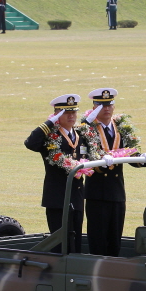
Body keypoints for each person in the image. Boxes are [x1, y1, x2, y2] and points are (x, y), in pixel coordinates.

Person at [81, 87, 146, 256]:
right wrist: (100, 159)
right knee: (98, 240)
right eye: (101, 105)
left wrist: (142, 158)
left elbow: (128, 151)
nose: (106, 108)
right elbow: (86, 153)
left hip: (116, 192)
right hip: (97, 193)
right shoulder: (88, 128)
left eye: (109, 104)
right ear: (94, 107)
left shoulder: (119, 125)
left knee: (115, 240)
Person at [24, 94, 96, 254]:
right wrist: (49, 123)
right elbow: (30, 143)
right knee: (60, 245)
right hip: (58, 198)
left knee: (75, 242)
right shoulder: (50, 137)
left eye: (73, 112)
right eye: (66, 112)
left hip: (76, 197)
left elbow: (92, 151)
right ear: (57, 114)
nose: (71, 116)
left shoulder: (80, 135)